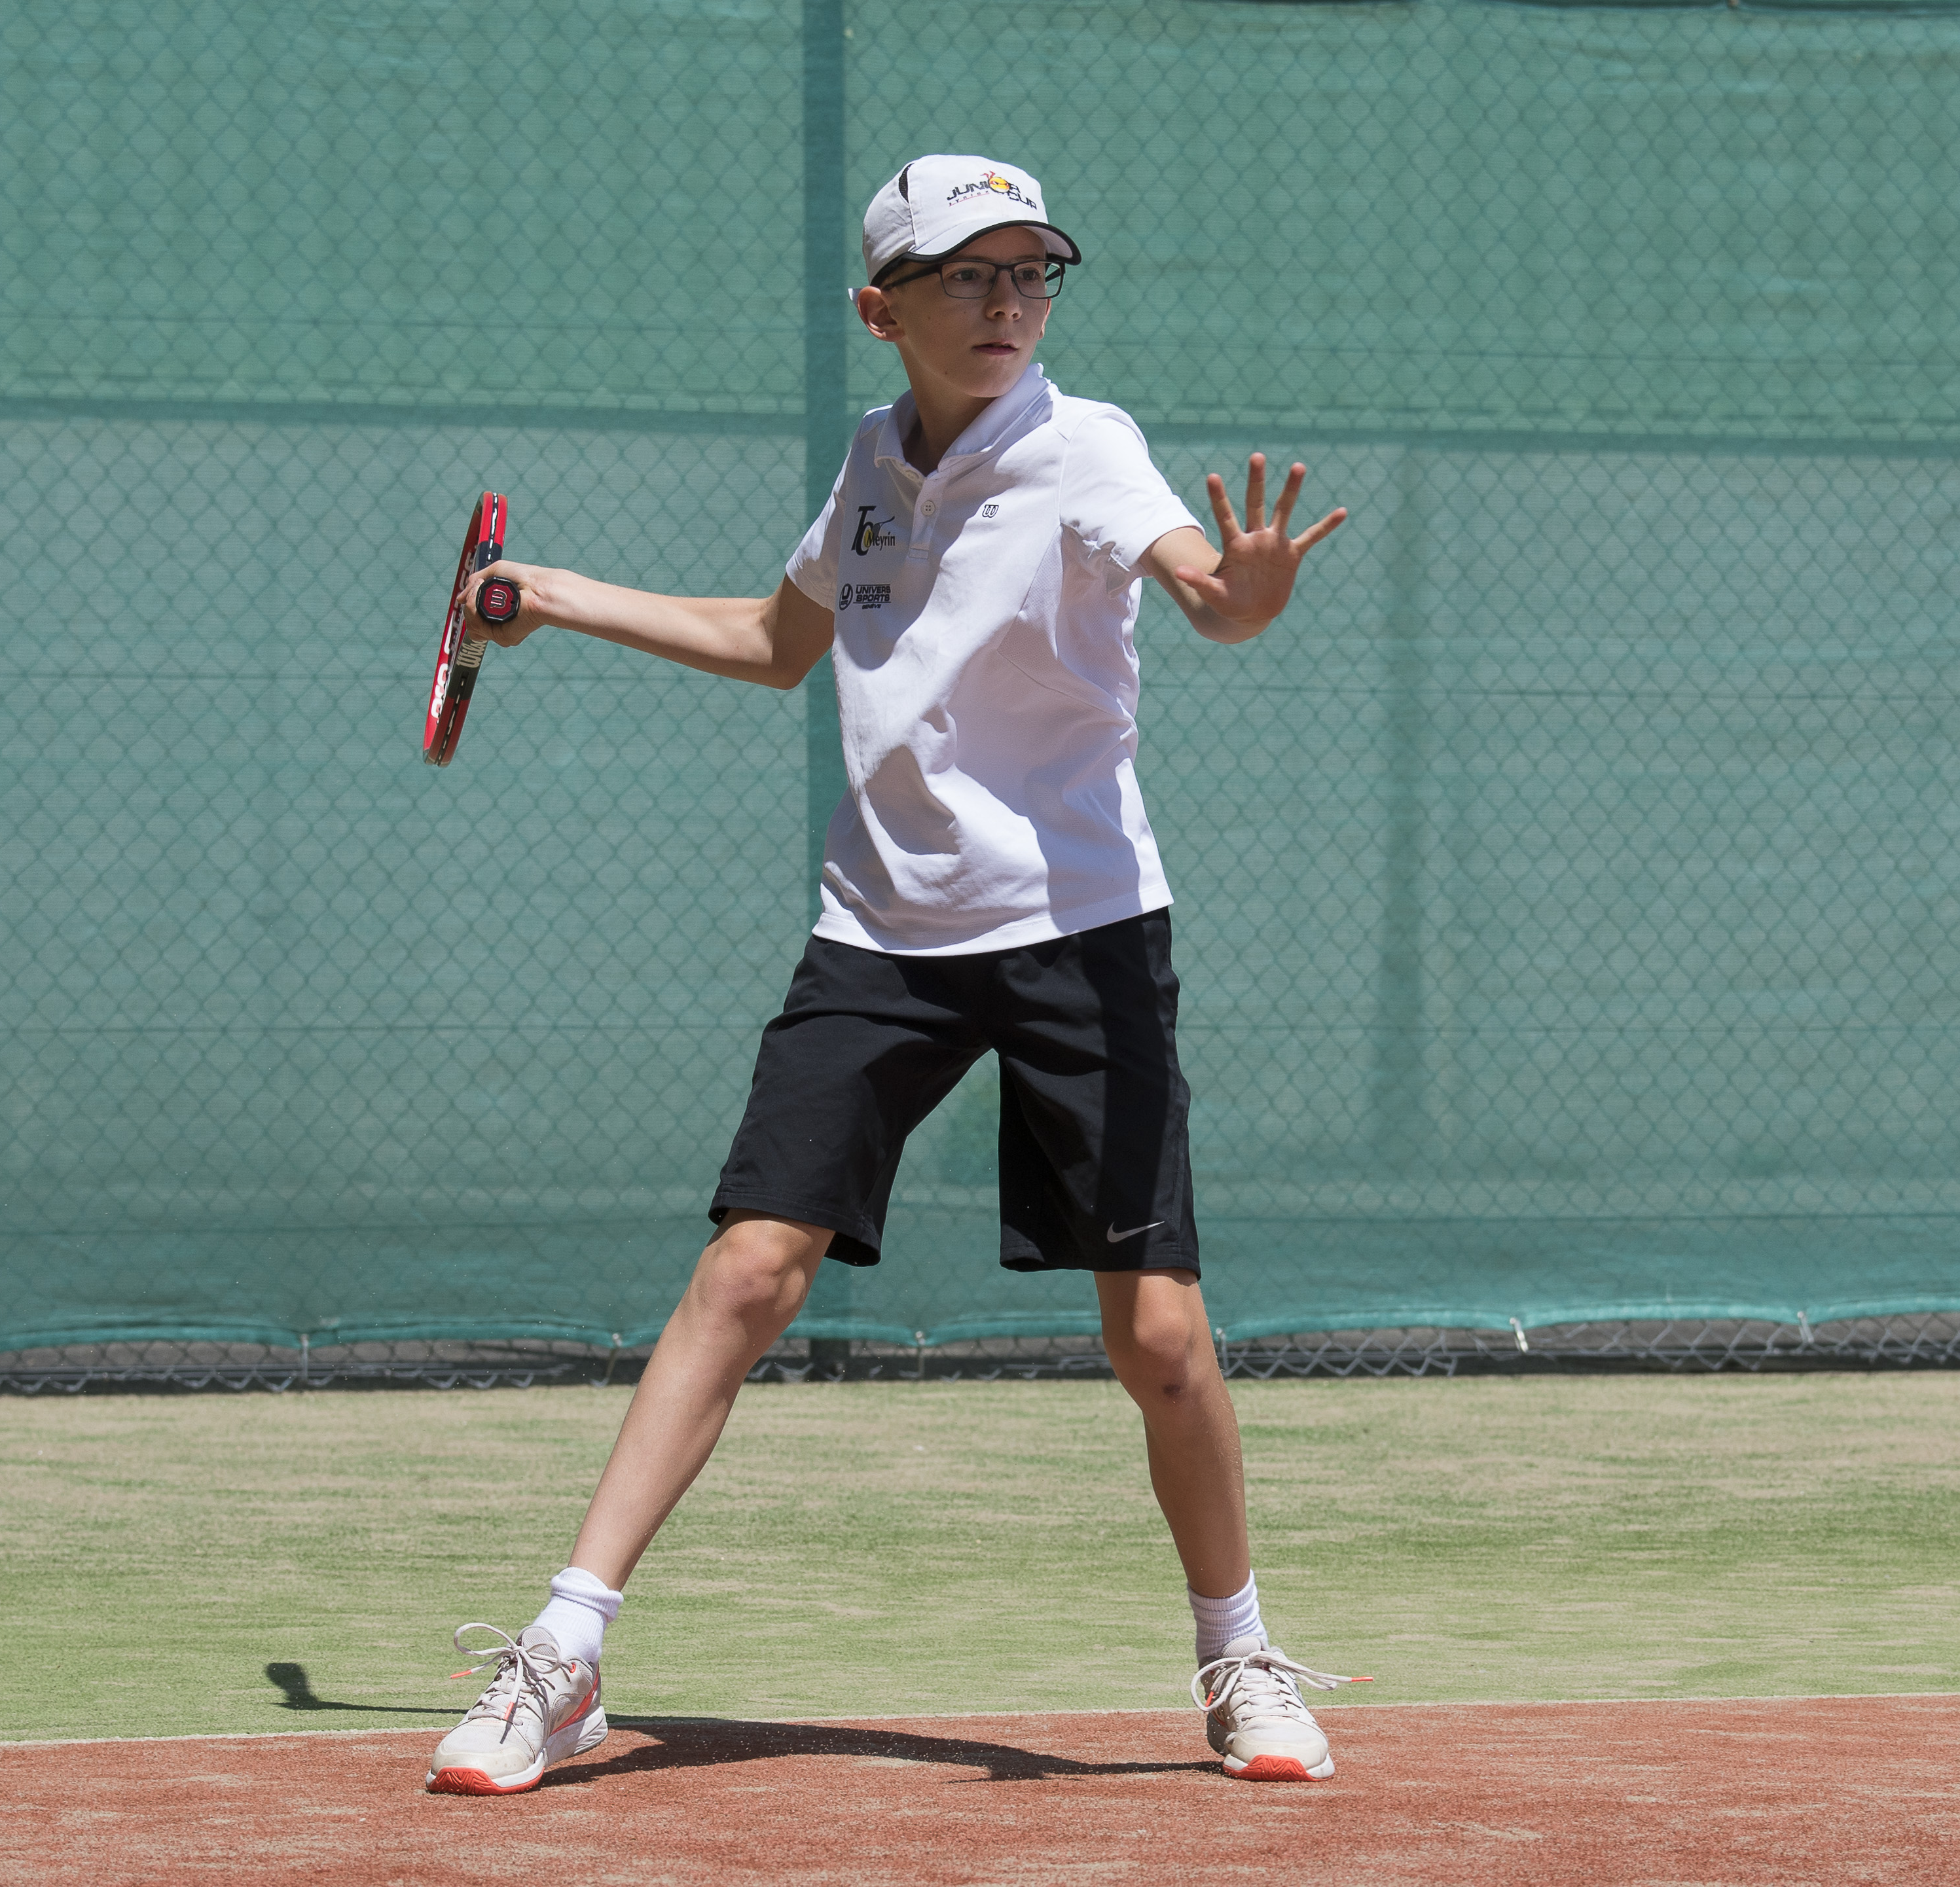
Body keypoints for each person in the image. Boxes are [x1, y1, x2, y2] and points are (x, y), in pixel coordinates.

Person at [420, 154, 1352, 1797]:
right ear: (881, 309)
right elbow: (779, 642)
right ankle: (561, 1653)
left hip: (1080, 935)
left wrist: (1244, 596)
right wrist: (549, 595)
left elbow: (1205, 594)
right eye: (966, 275)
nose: (1006, 303)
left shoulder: (1086, 444)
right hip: (880, 933)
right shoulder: (870, 461)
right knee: (746, 1272)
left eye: (1031, 272)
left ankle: (1239, 1653)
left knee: (1156, 1331)